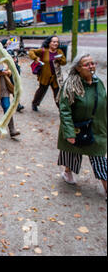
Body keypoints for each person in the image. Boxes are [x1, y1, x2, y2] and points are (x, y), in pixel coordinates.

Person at [57, 54, 106, 199]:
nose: (91, 66)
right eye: (87, 64)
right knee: (72, 151)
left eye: (93, 63)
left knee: (99, 157)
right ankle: (67, 172)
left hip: (97, 128)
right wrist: (69, 132)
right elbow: (64, 109)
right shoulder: (71, 85)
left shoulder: (98, 82)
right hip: (77, 127)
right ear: (78, 68)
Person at [28, 35, 66, 111]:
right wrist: (36, 58)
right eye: (54, 42)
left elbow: (64, 62)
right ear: (49, 43)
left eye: (57, 42)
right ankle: (35, 103)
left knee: (57, 93)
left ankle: (62, 109)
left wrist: (59, 59)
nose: (56, 43)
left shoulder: (59, 52)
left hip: (55, 77)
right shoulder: (44, 50)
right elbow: (31, 51)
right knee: (41, 91)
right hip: (45, 76)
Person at [1, 39, 24, 112]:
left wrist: (15, 60)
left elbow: (15, 59)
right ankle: (16, 104)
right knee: (10, 88)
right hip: (8, 72)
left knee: (14, 88)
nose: (9, 42)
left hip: (14, 71)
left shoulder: (11, 50)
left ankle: (17, 104)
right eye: (8, 42)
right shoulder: (2, 50)